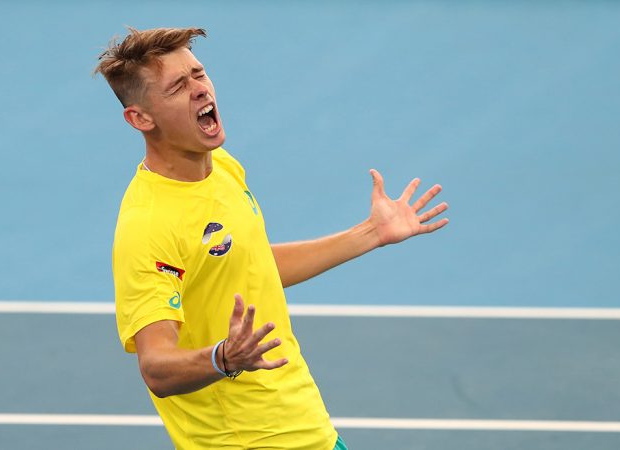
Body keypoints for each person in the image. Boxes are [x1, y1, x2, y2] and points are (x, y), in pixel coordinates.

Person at [95, 27, 448, 450]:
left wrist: (370, 233)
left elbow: (249, 265)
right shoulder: (148, 226)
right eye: (177, 86)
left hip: (303, 424)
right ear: (140, 118)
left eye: (199, 74)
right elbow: (156, 367)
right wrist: (222, 358)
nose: (199, 90)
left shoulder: (221, 167)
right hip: (244, 440)